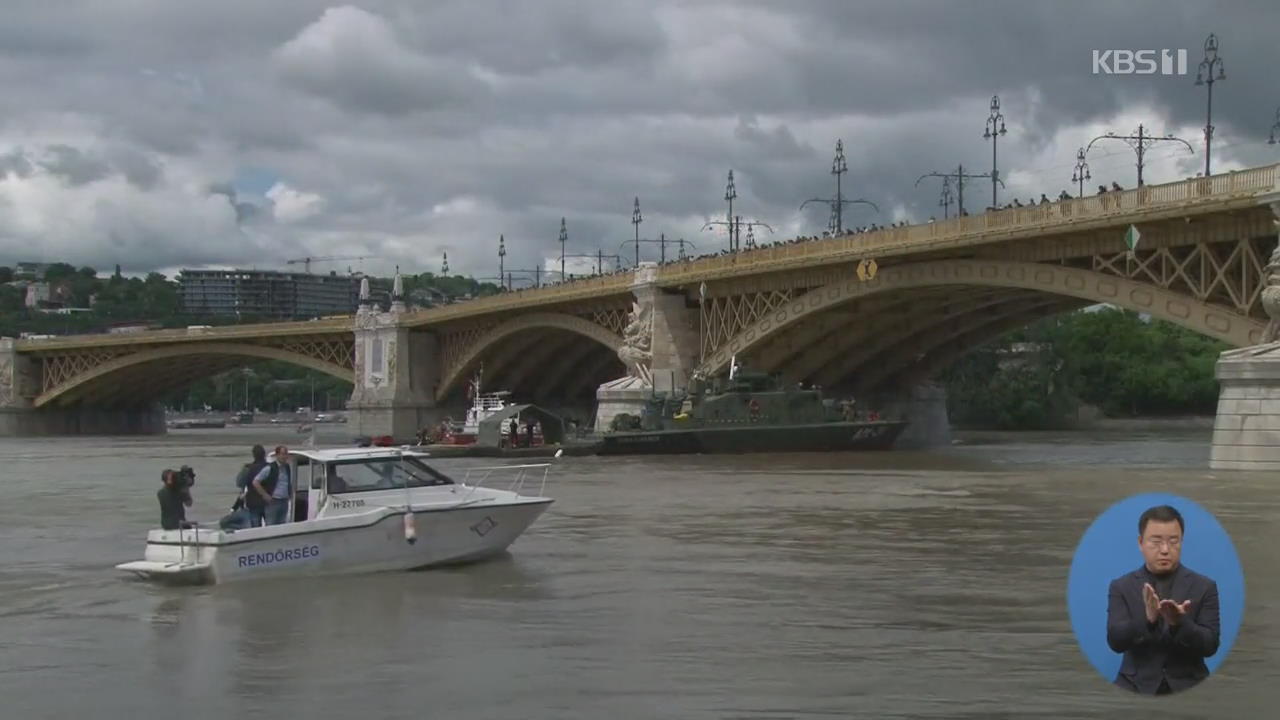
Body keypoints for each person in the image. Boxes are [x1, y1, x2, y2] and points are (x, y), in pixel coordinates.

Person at [1106, 505, 1220, 695]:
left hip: (1191, 685)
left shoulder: (1205, 586)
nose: (1165, 550)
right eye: (1156, 541)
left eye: (1173, 541)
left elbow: (1210, 646)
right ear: (1140, 543)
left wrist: (1180, 623)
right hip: (1133, 685)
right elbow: (1115, 641)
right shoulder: (1121, 586)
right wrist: (1147, 620)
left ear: (1182, 542)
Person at [251, 445, 292, 526]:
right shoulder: (270, 468)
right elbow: (255, 482)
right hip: (273, 501)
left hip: (284, 501)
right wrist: (265, 495)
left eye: (286, 454)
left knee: (282, 526)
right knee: (271, 524)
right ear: (277, 455)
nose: (284, 456)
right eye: (282, 454)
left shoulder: (287, 467)